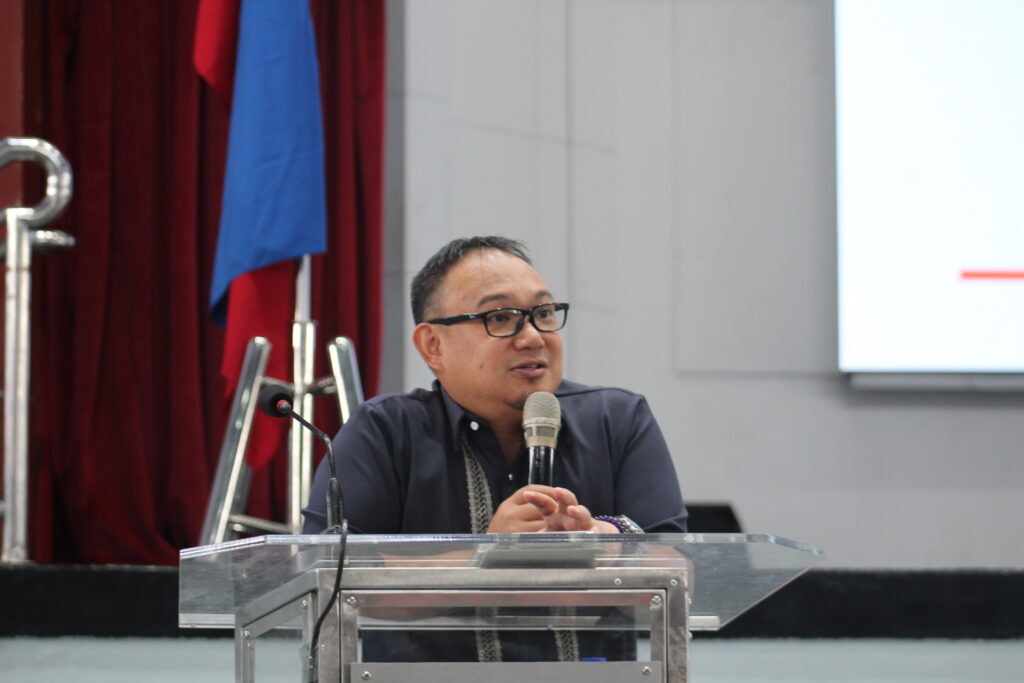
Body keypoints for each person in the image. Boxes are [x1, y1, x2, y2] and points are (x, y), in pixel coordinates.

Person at [303, 236, 687, 661]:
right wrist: (486, 554)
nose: (533, 337)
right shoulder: (384, 432)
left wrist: (605, 544)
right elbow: (323, 574)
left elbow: (683, 572)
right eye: (500, 318)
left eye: (543, 314)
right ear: (433, 345)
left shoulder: (617, 420)